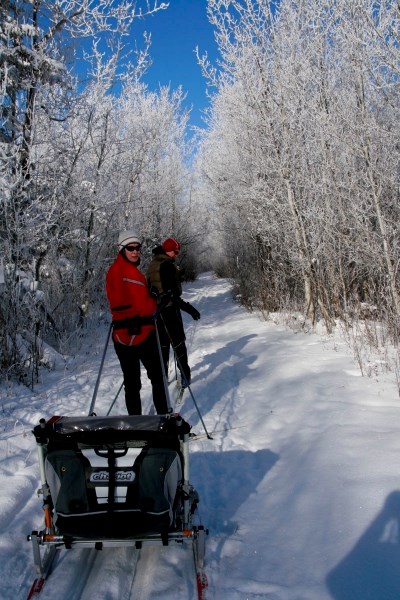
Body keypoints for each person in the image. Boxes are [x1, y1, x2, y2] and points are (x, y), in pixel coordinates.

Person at [105, 230, 169, 415]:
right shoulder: (129, 273)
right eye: (130, 248)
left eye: (138, 248)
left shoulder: (115, 271)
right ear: (121, 249)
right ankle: (164, 419)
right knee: (158, 377)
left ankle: (136, 423)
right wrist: (156, 299)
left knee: (132, 382)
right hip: (141, 334)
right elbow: (145, 307)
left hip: (121, 336)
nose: (135, 252)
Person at [146, 237, 200, 388]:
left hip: (156, 313)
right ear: (167, 250)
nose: (177, 254)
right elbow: (173, 294)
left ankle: (162, 377)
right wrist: (189, 309)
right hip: (169, 311)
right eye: (175, 251)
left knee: (162, 346)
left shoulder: (153, 264)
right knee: (178, 344)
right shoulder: (167, 266)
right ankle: (185, 376)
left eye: (178, 251)